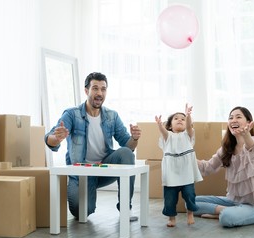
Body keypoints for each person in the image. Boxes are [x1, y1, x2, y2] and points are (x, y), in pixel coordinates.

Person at [44, 72, 141, 220]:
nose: (99, 93)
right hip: (82, 173)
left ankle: (125, 209)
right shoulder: (71, 114)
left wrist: (134, 138)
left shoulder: (112, 116)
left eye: (103, 89)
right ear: (86, 90)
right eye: (95, 88)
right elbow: (49, 140)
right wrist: (57, 138)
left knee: (127, 153)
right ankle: (85, 189)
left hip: (105, 169)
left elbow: (128, 145)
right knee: (81, 212)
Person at [194, 106, 254, 227]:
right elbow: (207, 167)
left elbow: (253, 148)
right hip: (233, 202)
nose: (233, 120)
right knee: (191, 203)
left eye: (238, 117)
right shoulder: (226, 149)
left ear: (249, 123)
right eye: (231, 117)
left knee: (226, 218)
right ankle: (226, 211)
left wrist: (246, 135)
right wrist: (187, 156)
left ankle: (226, 213)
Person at [155, 104, 203, 227]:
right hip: (171, 174)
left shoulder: (188, 135)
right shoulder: (168, 137)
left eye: (183, 118)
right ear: (170, 125)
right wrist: (160, 125)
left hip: (186, 172)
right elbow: (164, 132)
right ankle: (172, 218)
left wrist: (188, 115)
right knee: (170, 198)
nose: (180, 120)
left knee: (189, 194)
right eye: (176, 118)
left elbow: (189, 127)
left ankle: (190, 213)